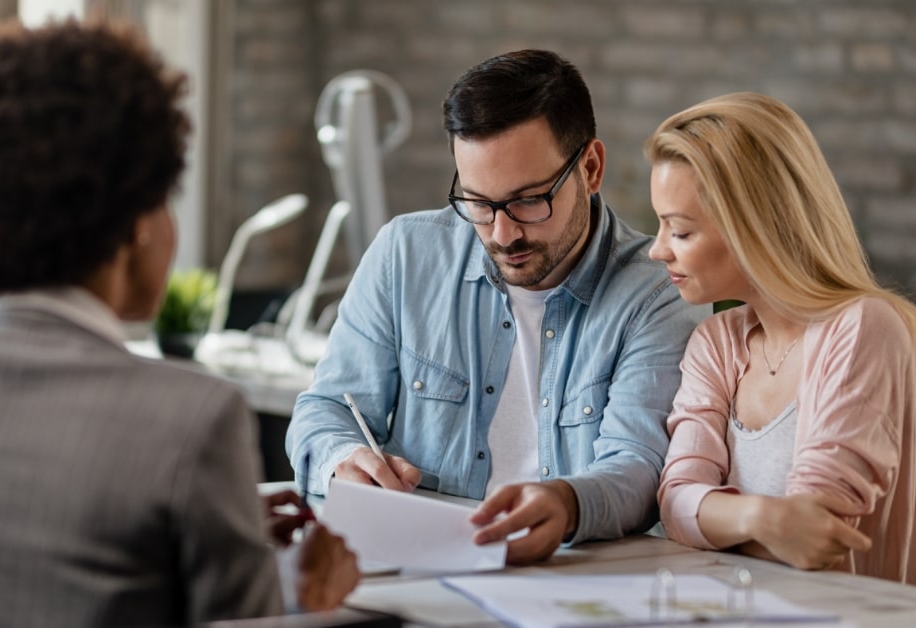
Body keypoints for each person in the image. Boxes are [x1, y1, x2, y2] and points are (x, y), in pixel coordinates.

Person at [0, 19, 358, 627]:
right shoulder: (193, 417)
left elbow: (10, 515)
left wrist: (208, 519)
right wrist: (312, 598)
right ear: (137, 225)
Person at [286, 49, 708, 564]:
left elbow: (639, 466)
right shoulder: (405, 253)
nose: (503, 234)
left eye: (530, 200)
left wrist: (568, 504)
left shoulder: (656, 291)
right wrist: (342, 460)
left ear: (591, 167)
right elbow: (325, 408)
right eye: (478, 203)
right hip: (422, 568)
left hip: (571, 580)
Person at [647, 91, 916, 589]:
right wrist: (767, 522)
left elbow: (815, 544)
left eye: (679, 231)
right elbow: (675, 503)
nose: (657, 250)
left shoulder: (866, 328)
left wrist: (715, 520)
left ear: (753, 228)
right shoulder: (716, 343)